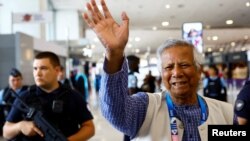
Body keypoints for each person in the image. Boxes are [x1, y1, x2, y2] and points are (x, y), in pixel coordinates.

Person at [82, 0, 234, 140]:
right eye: (168, 67)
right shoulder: (147, 108)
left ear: (199, 70)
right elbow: (116, 112)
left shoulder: (226, 113)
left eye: (184, 65)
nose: (176, 73)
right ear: (162, 74)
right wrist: (114, 54)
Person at [2, 51, 95, 141]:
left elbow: (89, 128)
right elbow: (6, 132)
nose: (37, 74)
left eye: (43, 68)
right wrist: (20, 126)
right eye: (35, 68)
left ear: (57, 70)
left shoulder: (73, 96)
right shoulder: (25, 96)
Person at [0, 68, 28, 134]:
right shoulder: (3, 93)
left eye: (18, 80)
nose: (16, 82)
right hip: (8, 128)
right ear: (9, 81)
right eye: (13, 80)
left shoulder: (27, 91)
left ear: (22, 79)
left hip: (24, 126)